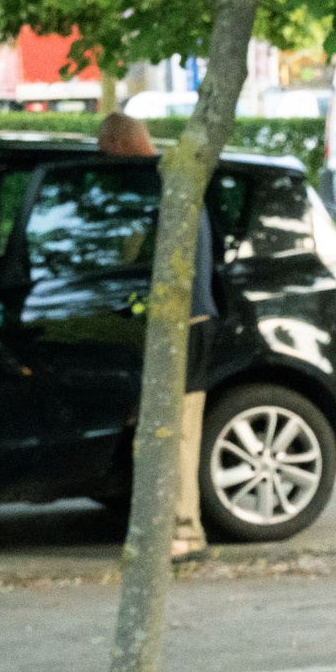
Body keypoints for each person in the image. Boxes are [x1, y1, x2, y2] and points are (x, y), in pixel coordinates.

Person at [96, 109, 216, 557]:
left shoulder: (157, 186)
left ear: (119, 146)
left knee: (178, 430)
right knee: (171, 429)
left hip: (183, 324)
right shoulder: (171, 178)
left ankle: (184, 532)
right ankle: (172, 526)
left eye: (104, 151)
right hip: (192, 318)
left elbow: (135, 253)